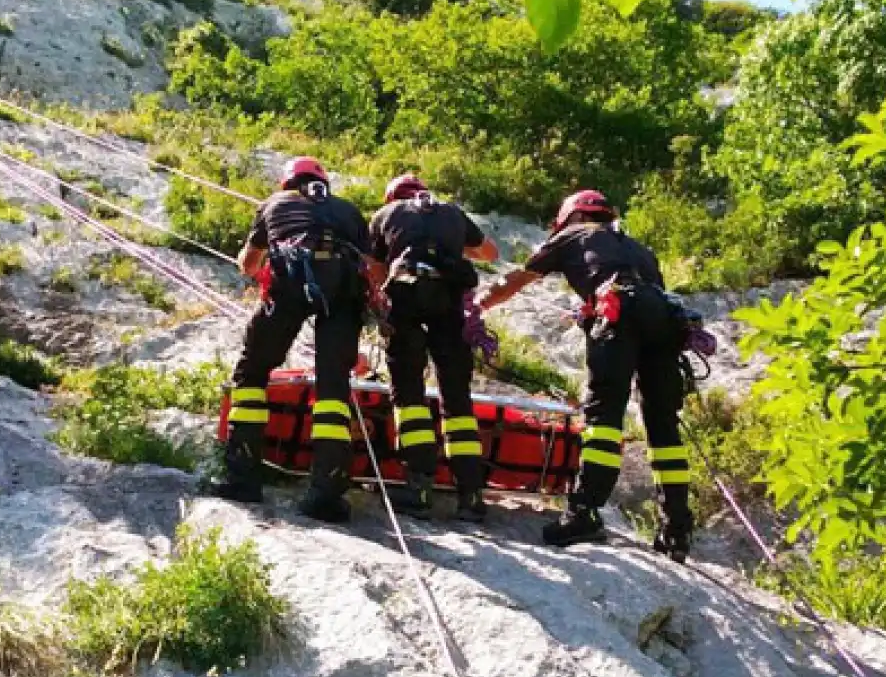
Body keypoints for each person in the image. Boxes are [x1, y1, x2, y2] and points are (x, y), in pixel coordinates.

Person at [475, 190, 697, 561]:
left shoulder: (572, 236)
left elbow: (517, 278)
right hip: (664, 321)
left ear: (572, 218)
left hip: (620, 315)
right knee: (664, 430)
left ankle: (585, 512)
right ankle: (676, 529)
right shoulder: (639, 249)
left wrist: (477, 306)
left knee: (603, 419)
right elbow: (640, 295)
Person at [215, 157, 374, 524]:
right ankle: (326, 493)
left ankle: (242, 478)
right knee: (333, 388)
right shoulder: (348, 211)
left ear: (287, 181)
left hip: (290, 284)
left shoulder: (275, 203)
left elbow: (249, 262)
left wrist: (259, 269)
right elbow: (373, 268)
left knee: (252, 373)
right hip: (345, 292)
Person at [368, 174, 500, 522]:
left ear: (392, 197)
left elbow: (373, 266)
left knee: (409, 395)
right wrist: (456, 246)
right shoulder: (451, 212)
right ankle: (470, 496)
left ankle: (420, 488)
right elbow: (489, 252)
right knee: (457, 399)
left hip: (406, 302)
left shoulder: (386, 215)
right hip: (450, 306)